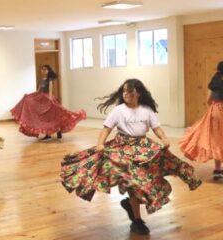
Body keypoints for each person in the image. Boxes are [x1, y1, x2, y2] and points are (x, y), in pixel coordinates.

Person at [60, 78, 201, 235]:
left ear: (138, 93)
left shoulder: (147, 110)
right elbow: (106, 129)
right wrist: (100, 144)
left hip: (143, 147)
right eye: (124, 91)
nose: (126, 94)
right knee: (134, 182)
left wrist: (164, 139)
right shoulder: (118, 110)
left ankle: (131, 206)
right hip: (123, 147)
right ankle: (137, 220)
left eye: (130, 91)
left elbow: (157, 128)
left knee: (148, 180)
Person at [11, 64, 86, 140]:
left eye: (45, 69)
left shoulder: (49, 80)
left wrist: (50, 100)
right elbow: (38, 91)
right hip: (41, 100)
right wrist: (28, 96)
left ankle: (51, 134)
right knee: (46, 118)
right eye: (42, 69)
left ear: (48, 71)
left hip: (48, 99)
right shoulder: (42, 80)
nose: (43, 71)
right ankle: (54, 133)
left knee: (52, 118)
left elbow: (50, 91)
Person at [179, 61, 223, 180]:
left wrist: (215, 107)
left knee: (216, 140)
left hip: (216, 111)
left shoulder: (215, 80)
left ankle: (218, 170)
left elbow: (208, 99)